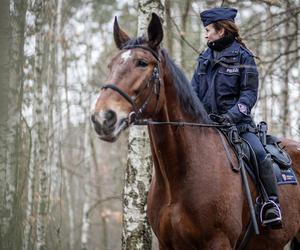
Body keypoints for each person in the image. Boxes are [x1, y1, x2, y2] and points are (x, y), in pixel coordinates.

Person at [191, 7, 282, 229]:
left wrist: (230, 116)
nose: (205, 35)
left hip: (238, 126)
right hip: (205, 127)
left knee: (260, 153)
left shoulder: (244, 57)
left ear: (221, 31)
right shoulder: (204, 57)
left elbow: (249, 94)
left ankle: (271, 204)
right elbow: (193, 92)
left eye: (208, 30)